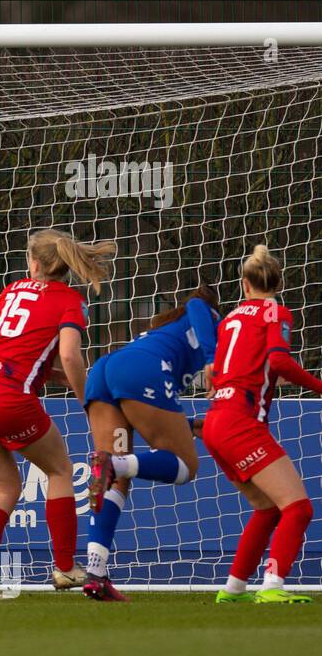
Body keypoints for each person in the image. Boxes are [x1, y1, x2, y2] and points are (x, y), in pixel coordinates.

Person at [0, 229, 115, 600]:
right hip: (6, 396)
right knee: (58, 469)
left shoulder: (12, 289)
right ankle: (64, 568)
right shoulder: (69, 299)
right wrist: (85, 398)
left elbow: (14, 348)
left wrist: (46, 374)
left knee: (6, 486)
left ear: (34, 263)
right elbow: (71, 355)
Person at [80, 284, 220, 601]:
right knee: (186, 465)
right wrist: (212, 358)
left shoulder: (168, 330)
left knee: (116, 482)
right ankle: (112, 463)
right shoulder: (212, 318)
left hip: (106, 370)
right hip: (141, 371)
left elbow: (143, 418)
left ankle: (95, 572)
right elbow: (198, 304)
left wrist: (185, 425)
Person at [203, 246, 318, 603]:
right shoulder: (276, 312)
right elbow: (279, 361)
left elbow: (215, 373)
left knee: (267, 508)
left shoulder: (230, 319)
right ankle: (272, 586)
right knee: (299, 508)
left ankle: (234, 588)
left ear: (244, 285)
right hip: (242, 420)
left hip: (216, 421)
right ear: (278, 282)